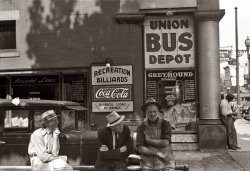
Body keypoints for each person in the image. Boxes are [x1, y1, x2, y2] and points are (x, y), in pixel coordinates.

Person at [136, 97, 175, 171]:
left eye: (154, 111)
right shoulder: (141, 126)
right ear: (146, 112)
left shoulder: (165, 123)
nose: (152, 114)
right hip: (147, 164)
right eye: (150, 112)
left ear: (158, 111)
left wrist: (149, 141)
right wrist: (157, 153)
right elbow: (140, 149)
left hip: (166, 163)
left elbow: (165, 143)